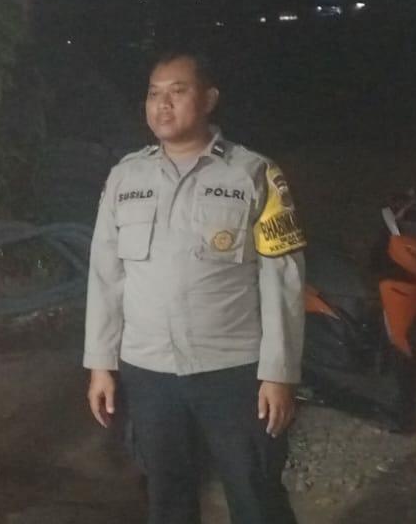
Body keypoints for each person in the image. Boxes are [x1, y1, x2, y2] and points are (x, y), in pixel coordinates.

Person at [83, 50, 306, 524]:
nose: (162, 104)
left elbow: (283, 278)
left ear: (209, 99)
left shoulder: (255, 173)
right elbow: (105, 276)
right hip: (149, 373)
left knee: (256, 494)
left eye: (177, 92)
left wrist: (279, 372)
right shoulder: (125, 176)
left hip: (234, 371)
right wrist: (101, 364)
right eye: (153, 94)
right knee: (167, 498)